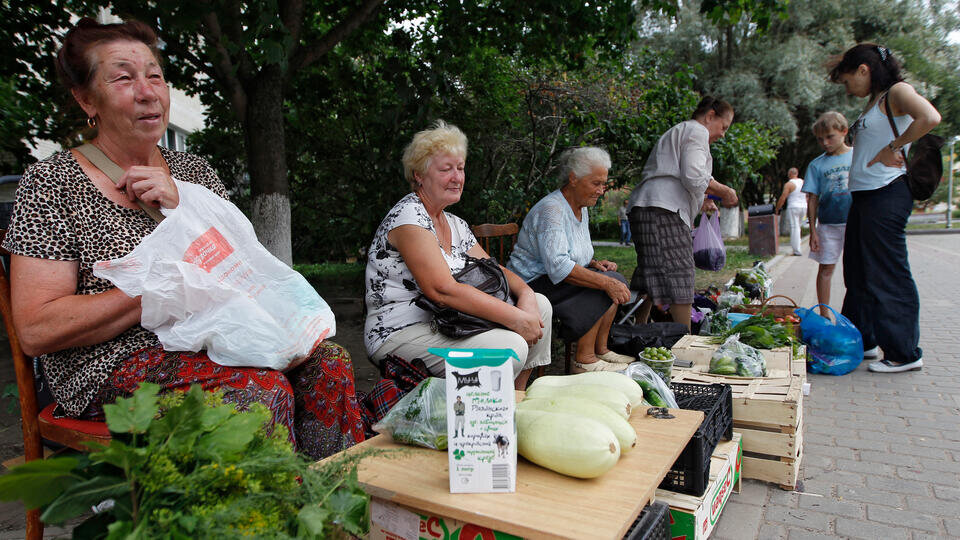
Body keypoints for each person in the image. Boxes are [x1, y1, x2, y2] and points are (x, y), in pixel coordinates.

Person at [1, 18, 364, 460]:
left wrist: (187, 204)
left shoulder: (195, 174)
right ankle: (266, 520)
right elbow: (37, 329)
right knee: (258, 391)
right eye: (123, 78)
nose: (148, 91)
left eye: (155, 75)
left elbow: (244, 270)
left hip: (219, 337)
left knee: (329, 365)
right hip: (112, 364)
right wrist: (160, 290)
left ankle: (333, 512)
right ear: (85, 99)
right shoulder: (52, 182)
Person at [364, 120, 552, 390]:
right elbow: (443, 290)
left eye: (460, 168)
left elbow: (494, 269)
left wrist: (527, 295)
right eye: (446, 169)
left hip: (449, 322)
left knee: (541, 306)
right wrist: (515, 318)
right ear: (419, 174)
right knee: (509, 348)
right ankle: (484, 411)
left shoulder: (454, 223)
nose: (457, 177)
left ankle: (515, 398)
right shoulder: (409, 218)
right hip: (402, 332)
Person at [829, 43, 940, 373]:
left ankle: (905, 353)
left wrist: (894, 146)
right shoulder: (874, 102)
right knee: (859, 273)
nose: (848, 89)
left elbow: (931, 117)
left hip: (887, 193)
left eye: (849, 80)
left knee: (887, 274)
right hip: (865, 196)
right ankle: (862, 340)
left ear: (864, 69)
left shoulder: (898, 92)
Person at [508, 147, 634, 373]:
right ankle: (584, 360)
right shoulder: (552, 210)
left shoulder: (581, 207)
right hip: (530, 285)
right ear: (574, 178)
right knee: (604, 284)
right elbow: (558, 266)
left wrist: (595, 264)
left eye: (603, 184)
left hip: (553, 280)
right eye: (596, 183)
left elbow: (575, 252)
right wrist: (604, 281)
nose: (601, 191)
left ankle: (600, 350)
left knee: (612, 277)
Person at [627, 97, 739, 330]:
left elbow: (681, 177)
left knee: (649, 271)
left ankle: (637, 328)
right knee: (680, 271)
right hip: (662, 211)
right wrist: (724, 191)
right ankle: (684, 338)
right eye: (723, 127)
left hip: (650, 207)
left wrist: (704, 199)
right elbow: (694, 175)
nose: (723, 134)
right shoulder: (697, 131)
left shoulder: (681, 131)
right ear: (710, 116)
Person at [803, 112, 853, 318]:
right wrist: (813, 230)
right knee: (825, 270)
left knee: (857, 272)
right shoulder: (817, 165)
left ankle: (856, 315)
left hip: (855, 222)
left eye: (830, 137)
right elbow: (812, 199)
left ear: (844, 131)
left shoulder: (858, 156)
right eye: (820, 139)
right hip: (828, 225)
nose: (825, 143)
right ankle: (824, 315)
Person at [775, 168, 807, 256]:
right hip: (804, 206)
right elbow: (808, 195)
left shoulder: (789, 184)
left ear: (789, 174)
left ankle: (797, 250)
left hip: (793, 207)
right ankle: (797, 247)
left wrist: (777, 208)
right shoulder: (804, 182)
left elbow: (783, 197)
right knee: (798, 227)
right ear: (797, 173)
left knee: (794, 227)